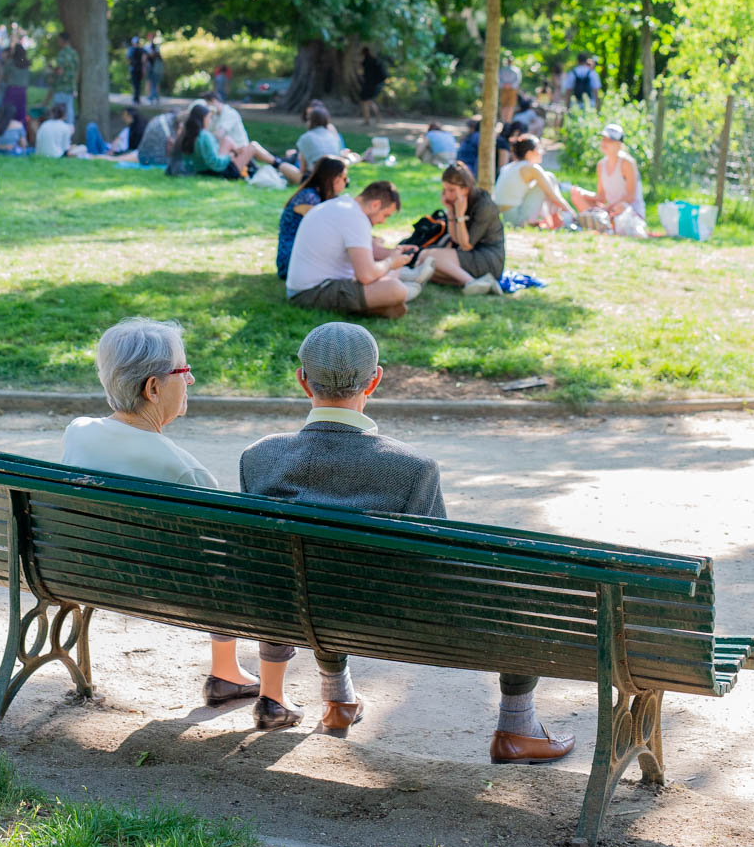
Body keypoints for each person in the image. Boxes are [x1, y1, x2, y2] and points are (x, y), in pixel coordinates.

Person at [238, 322, 575, 762]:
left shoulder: (258, 457)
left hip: (302, 611)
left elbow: (266, 562)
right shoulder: (413, 469)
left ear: (303, 381)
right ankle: (517, 726)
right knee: (519, 590)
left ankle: (338, 700)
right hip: (396, 623)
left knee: (309, 570)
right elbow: (439, 573)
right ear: (374, 380)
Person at [62, 319, 271, 707]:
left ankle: (227, 671)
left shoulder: (78, 431)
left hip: (78, 573)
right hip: (160, 589)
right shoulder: (184, 471)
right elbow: (223, 559)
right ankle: (228, 669)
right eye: (183, 371)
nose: (190, 380)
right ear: (153, 388)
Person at [285, 179, 416, 318]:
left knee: (391, 275)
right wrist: (390, 262)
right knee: (396, 289)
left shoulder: (345, 206)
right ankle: (393, 294)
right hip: (310, 292)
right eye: (385, 215)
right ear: (375, 204)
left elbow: (366, 249)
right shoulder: (356, 218)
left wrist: (394, 253)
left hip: (308, 287)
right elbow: (366, 276)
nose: (383, 221)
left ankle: (385, 301)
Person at [424, 160, 506, 295]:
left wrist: (460, 216)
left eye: (451, 190)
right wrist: (451, 211)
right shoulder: (458, 202)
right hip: (470, 254)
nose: (447, 195)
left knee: (431, 257)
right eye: (445, 190)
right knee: (426, 264)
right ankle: (479, 283)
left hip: (489, 259)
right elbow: (456, 239)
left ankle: (473, 282)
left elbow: (466, 245)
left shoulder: (484, 205)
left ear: (465, 189)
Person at [169, 102, 287, 181]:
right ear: (202, 119)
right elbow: (215, 163)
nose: (210, 121)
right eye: (209, 118)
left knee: (227, 140)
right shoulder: (204, 136)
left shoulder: (188, 134)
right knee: (253, 147)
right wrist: (229, 156)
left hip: (204, 170)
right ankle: (277, 163)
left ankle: (252, 163)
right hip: (221, 172)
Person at [276, 156, 348, 279]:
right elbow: (323, 230)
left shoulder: (324, 197)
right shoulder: (308, 197)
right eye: (344, 178)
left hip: (305, 257)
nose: (346, 182)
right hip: (292, 262)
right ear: (333, 178)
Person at [569, 122, 646, 235]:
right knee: (576, 196)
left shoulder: (627, 163)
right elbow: (601, 197)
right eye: (604, 139)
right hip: (610, 211)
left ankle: (603, 224)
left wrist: (608, 208)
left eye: (610, 140)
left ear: (619, 144)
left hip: (628, 211)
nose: (605, 143)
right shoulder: (601, 165)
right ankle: (603, 224)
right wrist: (581, 193)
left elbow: (631, 196)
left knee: (620, 207)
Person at [493, 134, 573, 229]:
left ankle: (551, 221)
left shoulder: (509, 167)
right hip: (515, 219)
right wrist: (573, 214)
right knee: (549, 178)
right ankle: (560, 221)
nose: (542, 152)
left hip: (501, 217)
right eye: (538, 149)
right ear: (529, 153)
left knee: (546, 179)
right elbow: (553, 196)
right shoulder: (531, 168)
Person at [296, 103, 346, 174]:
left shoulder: (306, 137)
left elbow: (302, 169)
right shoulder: (331, 135)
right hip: (335, 173)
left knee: (284, 166)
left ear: (311, 121)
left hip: (317, 176)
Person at [0, 42, 31, 135]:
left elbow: (4, 76)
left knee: (8, 113)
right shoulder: (26, 64)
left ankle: (7, 134)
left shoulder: (10, 63)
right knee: (21, 114)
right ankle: (22, 135)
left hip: (12, 90)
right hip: (22, 91)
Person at [52, 36, 79, 128]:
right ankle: (69, 131)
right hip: (71, 87)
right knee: (69, 111)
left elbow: (60, 71)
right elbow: (77, 71)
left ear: (63, 41)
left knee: (57, 111)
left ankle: (56, 130)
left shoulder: (62, 54)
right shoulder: (74, 53)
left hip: (61, 87)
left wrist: (52, 70)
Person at [358, 47, 387, 126]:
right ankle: (377, 117)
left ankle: (367, 120)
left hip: (369, 84)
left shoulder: (366, 61)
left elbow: (363, 73)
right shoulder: (374, 60)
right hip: (374, 84)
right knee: (369, 101)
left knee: (365, 101)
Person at [498, 54, 522, 124]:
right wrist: (510, 85)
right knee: (509, 105)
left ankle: (504, 120)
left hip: (505, 88)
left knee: (505, 105)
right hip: (511, 89)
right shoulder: (516, 70)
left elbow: (499, 79)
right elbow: (518, 80)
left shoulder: (503, 69)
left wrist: (505, 85)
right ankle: (507, 120)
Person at [127, 35, 145, 103]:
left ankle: (136, 98)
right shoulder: (138, 49)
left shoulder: (134, 49)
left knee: (137, 85)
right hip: (135, 69)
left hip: (136, 69)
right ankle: (136, 98)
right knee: (136, 85)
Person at [145, 36, 164, 103]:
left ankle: (154, 97)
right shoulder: (147, 47)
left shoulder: (156, 48)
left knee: (155, 84)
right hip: (150, 68)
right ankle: (152, 97)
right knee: (151, 83)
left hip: (155, 69)